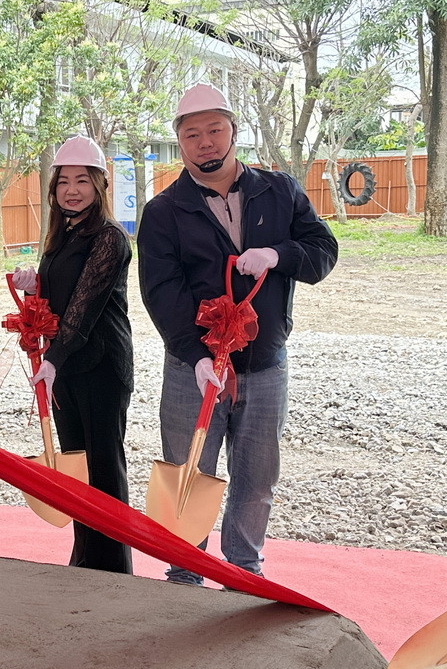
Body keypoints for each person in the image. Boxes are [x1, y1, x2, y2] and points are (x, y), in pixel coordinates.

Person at [137, 84, 337, 582]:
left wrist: (279, 255)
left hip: (265, 365)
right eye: (192, 134)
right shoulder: (164, 212)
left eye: (215, 130)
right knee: (189, 472)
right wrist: (195, 353)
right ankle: (185, 571)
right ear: (179, 143)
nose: (205, 142)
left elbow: (323, 251)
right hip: (193, 371)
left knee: (256, 475)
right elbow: (161, 291)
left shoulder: (280, 191)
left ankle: (244, 570)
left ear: (233, 131)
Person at [13, 136, 134, 574]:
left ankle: (114, 571)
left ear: (100, 184)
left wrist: (53, 357)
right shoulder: (61, 235)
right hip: (64, 366)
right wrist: (34, 287)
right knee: (74, 470)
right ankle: (86, 561)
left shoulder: (109, 239)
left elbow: (83, 308)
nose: (72, 189)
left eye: (83, 180)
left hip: (101, 367)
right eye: (64, 181)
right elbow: (59, 298)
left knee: (103, 471)